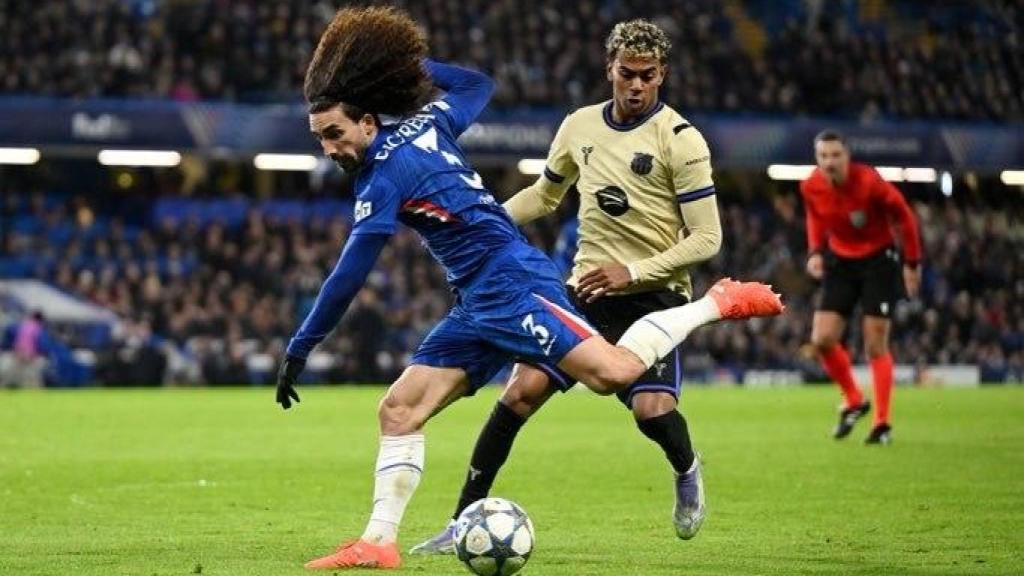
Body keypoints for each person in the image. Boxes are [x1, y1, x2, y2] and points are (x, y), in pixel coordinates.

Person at [274, 7, 782, 570]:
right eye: (320, 138)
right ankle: (378, 543)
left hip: (515, 285)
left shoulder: (382, 178)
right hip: (477, 297)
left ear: (368, 122)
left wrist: (300, 345)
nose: (329, 148)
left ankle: (719, 302)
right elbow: (475, 84)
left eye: (335, 134)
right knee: (398, 409)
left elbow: (351, 272)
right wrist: (404, 68)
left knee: (615, 374)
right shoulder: (429, 120)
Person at [411, 18, 723, 555]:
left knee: (651, 413)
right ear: (610, 70)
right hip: (584, 292)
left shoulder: (683, 141)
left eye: (648, 76)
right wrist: (479, 224)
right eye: (627, 74)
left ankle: (686, 470)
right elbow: (546, 196)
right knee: (519, 393)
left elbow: (707, 238)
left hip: (654, 297)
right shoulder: (579, 126)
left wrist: (635, 270)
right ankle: (462, 520)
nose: (636, 86)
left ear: (662, 75)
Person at [801, 130, 921, 445]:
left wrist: (912, 263)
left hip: (879, 262)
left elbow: (904, 217)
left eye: (835, 155)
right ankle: (854, 399)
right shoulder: (810, 185)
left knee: (874, 343)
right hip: (841, 261)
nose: (829, 162)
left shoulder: (870, 182)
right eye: (823, 156)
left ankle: (882, 423)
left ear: (848, 156)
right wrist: (815, 251)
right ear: (817, 158)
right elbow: (814, 216)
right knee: (822, 339)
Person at [0, 311, 51, 388]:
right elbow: (43, 345)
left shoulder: (19, 325)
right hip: (30, 356)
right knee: (32, 377)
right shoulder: (38, 328)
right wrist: (44, 353)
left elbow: (8, 338)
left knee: (10, 376)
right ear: (41, 320)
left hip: (17, 353)